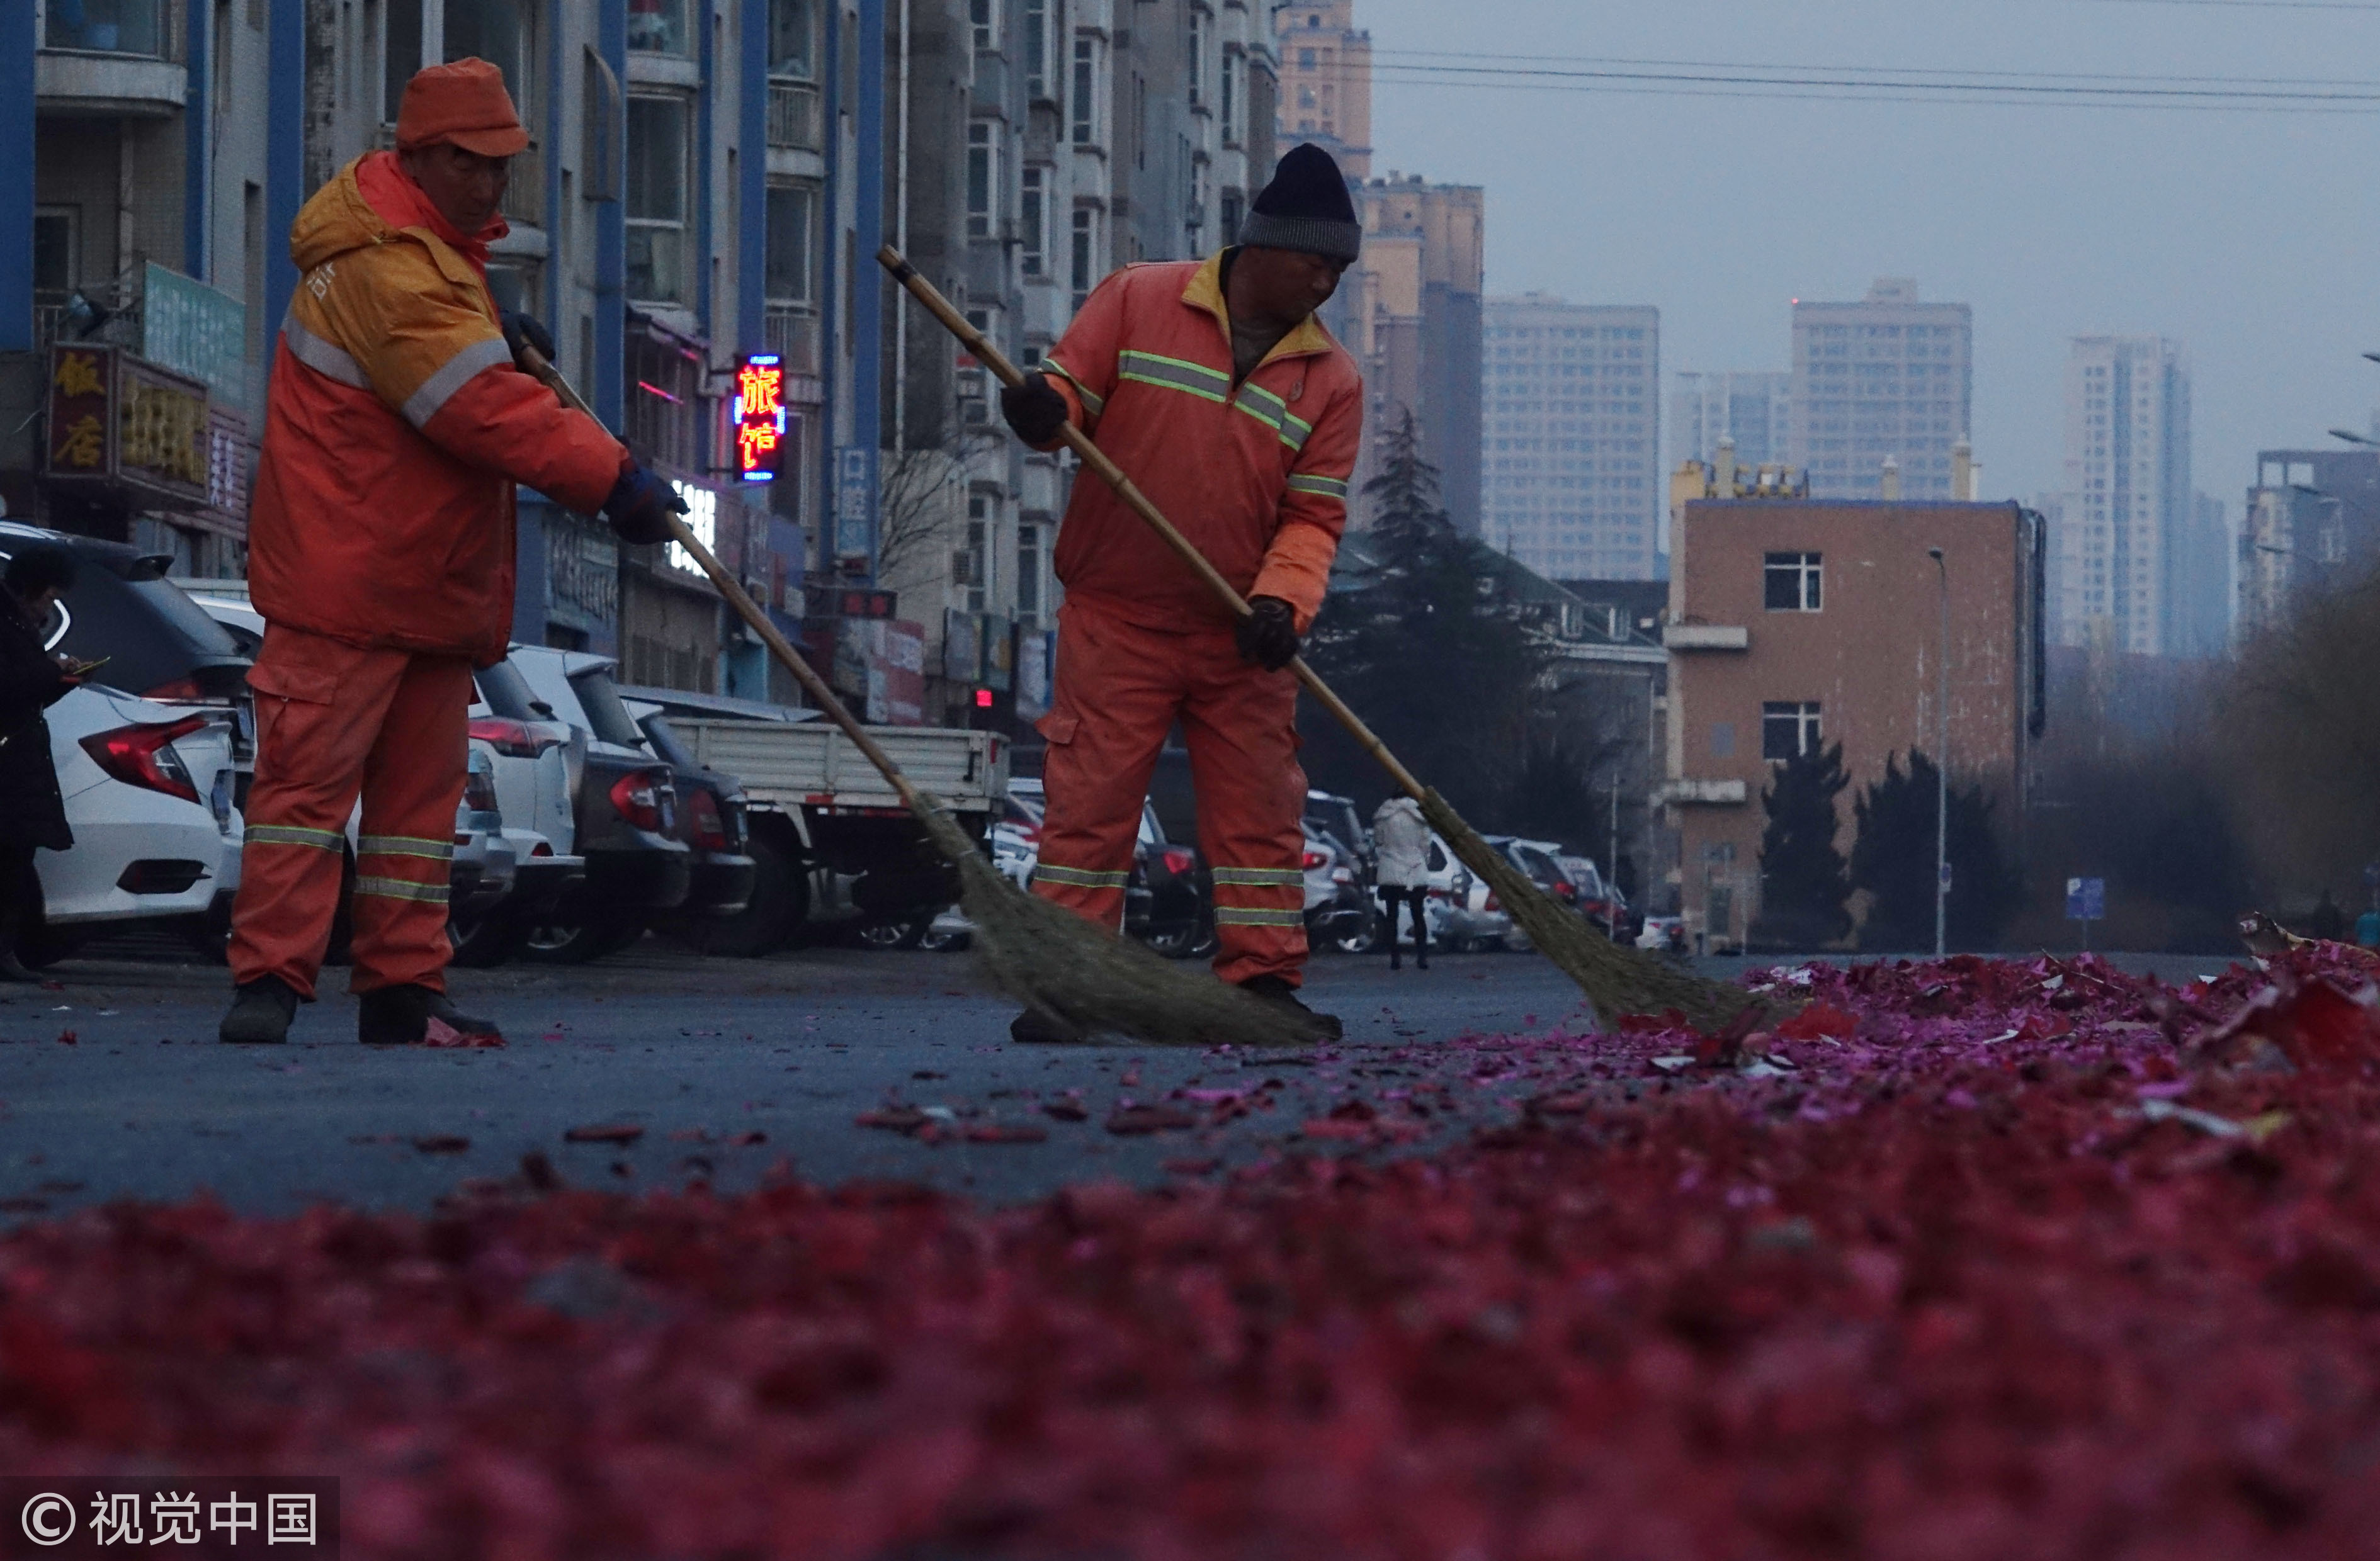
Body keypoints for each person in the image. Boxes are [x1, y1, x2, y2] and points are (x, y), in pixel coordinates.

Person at [219, 59, 679, 1047]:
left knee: (414, 820)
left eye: (503, 165)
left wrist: (498, 335)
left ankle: (403, 988)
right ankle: (270, 984)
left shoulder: (427, 258)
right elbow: (478, 412)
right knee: (306, 802)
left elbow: (460, 380)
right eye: (473, 165)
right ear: (421, 155)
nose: (491, 184)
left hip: (415, 583)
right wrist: (612, 481)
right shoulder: (390, 267)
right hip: (355, 582)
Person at [997, 144, 1364, 1043]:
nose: (1328, 282)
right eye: (1317, 261)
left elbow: (1311, 521)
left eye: (1341, 269)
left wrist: (1283, 605)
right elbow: (1069, 394)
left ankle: (1260, 985)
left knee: (1260, 816)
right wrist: (1041, 409)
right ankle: (1072, 985)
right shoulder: (1138, 299)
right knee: (1090, 805)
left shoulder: (1333, 381)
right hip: (1119, 614)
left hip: (1242, 631)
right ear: (1265, 246)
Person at [0, 546, 82, 982]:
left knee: (15, 860)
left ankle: (5, 951)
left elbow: (26, 689)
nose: (49, 608)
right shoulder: (6, 623)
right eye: (50, 597)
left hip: (19, 760)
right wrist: (51, 674)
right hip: (7, 759)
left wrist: (62, 681)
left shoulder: (21, 625)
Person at [1372, 794, 1430, 972]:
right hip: (1415, 869)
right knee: (1418, 915)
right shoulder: (1420, 816)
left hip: (1391, 868)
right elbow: (1426, 844)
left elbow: (1378, 841)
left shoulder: (1384, 814)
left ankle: (1395, 958)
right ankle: (1422, 957)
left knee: (1392, 916)